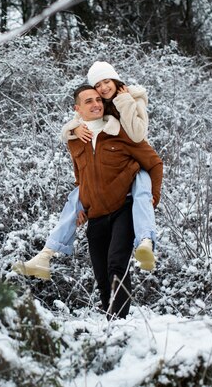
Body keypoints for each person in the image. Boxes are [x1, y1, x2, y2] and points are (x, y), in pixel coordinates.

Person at [12, 61, 157, 279]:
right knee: (75, 198)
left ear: (115, 79)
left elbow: (137, 136)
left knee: (142, 194)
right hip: (100, 193)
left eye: (106, 81)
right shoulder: (96, 110)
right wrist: (73, 127)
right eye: (98, 85)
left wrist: (125, 100)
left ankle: (145, 241)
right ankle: (46, 254)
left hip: (134, 164)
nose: (103, 89)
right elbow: (81, 133)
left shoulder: (133, 97)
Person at [66, 84, 163, 319]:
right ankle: (110, 320)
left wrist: (153, 198)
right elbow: (81, 177)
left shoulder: (120, 131)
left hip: (124, 207)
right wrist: (82, 207)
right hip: (96, 214)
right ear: (77, 108)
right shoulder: (75, 140)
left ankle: (118, 321)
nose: (96, 104)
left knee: (116, 264)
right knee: (101, 274)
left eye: (98, 99)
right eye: (88, 101)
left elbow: (154, 163)